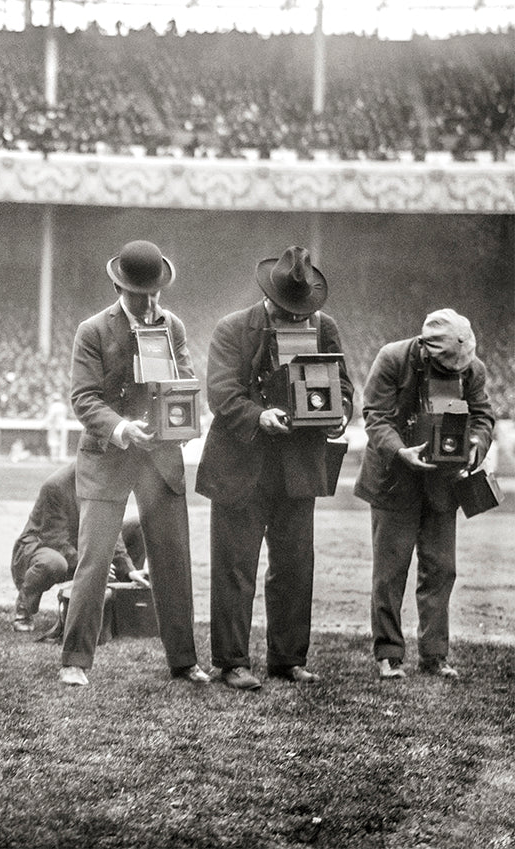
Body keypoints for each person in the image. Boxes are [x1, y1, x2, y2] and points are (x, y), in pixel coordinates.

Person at [196, 246, 354, 690]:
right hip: (241, 465)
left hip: (299, 468)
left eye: (301, 311)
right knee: (234, 567)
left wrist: (340, 410)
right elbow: (221, 393)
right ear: (270, 297)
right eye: (288, 310)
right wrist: (259, 416)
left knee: (295, 566)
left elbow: (343, 385)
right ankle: (233, 662)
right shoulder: (233, 329)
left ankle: (288, 658)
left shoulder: (325, 328)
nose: (296, 317)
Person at [59, 240, 208, 687]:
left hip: (160, 458)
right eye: (139, 294)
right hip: (109, 456)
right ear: (118, 286)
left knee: (173, 560)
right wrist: (123, 428)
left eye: (155, 294)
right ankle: (75, 661)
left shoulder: (172, 325)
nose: (148, 302)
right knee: (95, 558)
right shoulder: (92, 330)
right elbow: (83, 398)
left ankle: (184, 661)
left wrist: (171, 409)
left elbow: (182, 382)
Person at [355, 309, 494, 680]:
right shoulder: (392, 358)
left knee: (441, 569)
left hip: (442, 485)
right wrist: (401, 451)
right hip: (394, 480)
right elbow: (375, 416)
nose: (457, 371)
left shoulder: (473, 369)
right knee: (390, 572)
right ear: (425, 349)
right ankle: (388, 654)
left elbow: (482, 416)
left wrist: (477, 445)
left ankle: (435, 655)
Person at [11, 461, 135, 632]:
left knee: (137, 526)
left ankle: (123, 598)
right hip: (41, 547)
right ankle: (24, 608)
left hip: (78, 544)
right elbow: (56, 539)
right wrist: (94, 564)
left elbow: (111, 528)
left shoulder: (105, 479)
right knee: (54, 563)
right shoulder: (56, 485)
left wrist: (128, 569)